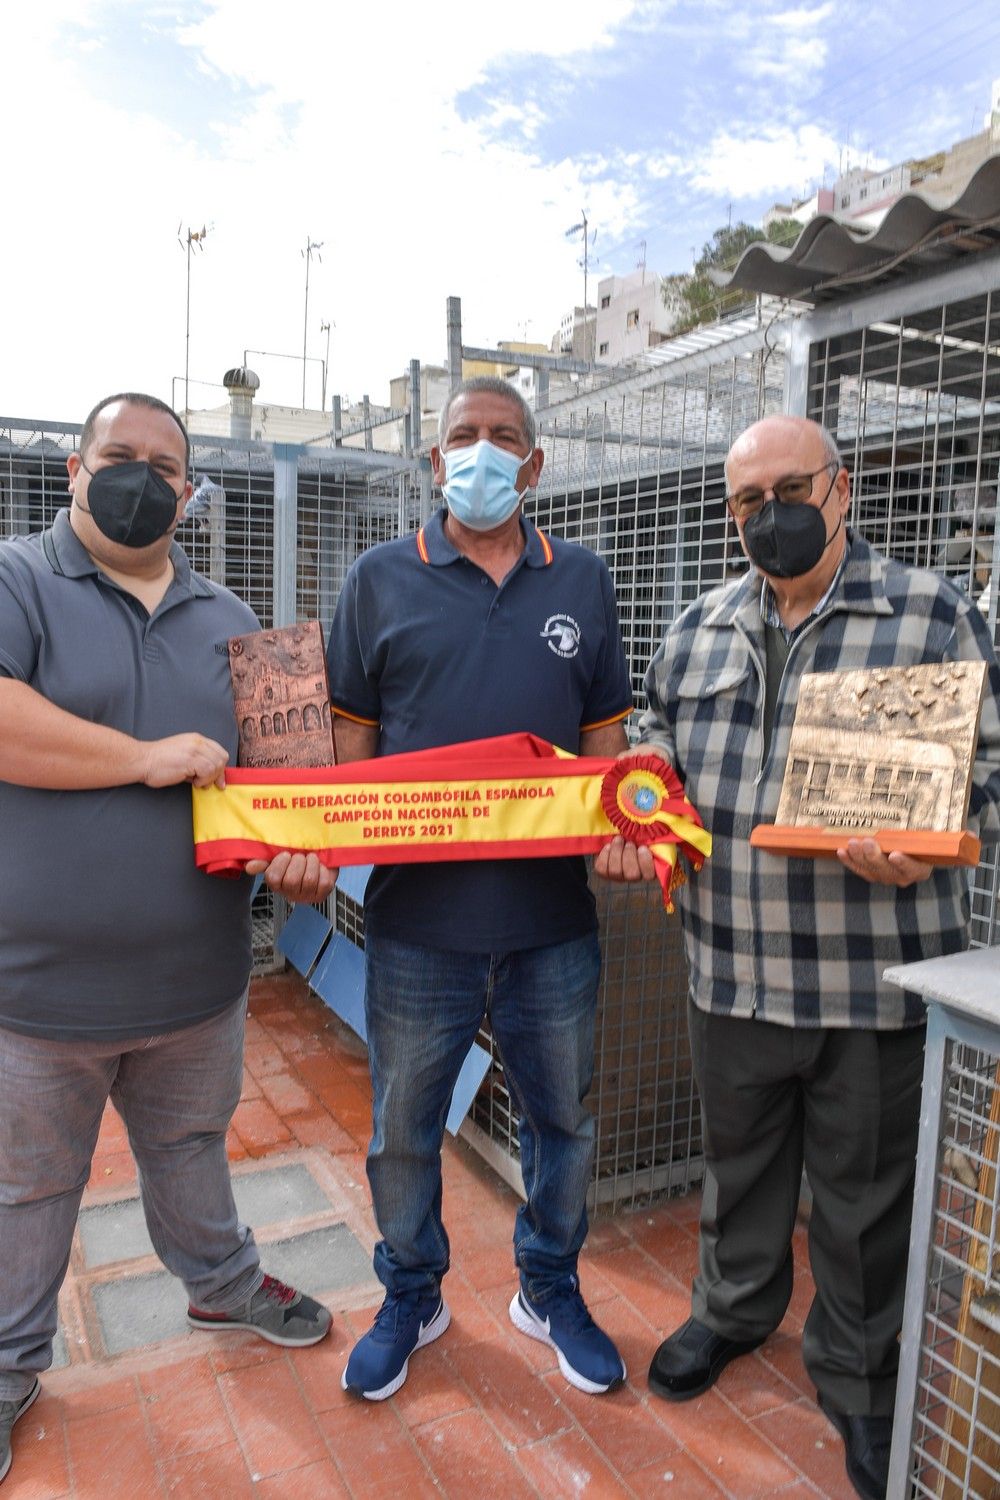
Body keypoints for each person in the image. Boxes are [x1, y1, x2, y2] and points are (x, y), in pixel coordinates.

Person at [596, 415, 1000, 1500]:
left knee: (865, 1200)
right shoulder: (698, 625)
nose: (765, 513)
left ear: (840, 489)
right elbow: (659, 739)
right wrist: (644, 809)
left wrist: (928, 840)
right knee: (741, 1169)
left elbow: (988, 771)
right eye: (743, 499)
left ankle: (861, 1381)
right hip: (730, 965)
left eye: (787, 488)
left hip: (874, 972)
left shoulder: (928, 612)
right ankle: (730, 1314)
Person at [0, 393, 335, 1486]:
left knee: (191, 1151)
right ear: (72, 469)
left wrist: (302, 852)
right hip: (35, 990)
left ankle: (223, 1285)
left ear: (190, 493)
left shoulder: (238, 621)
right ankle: (6, 1369)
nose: (141, 477)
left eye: (164, 464)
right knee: (28, 1189)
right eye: (119, 457)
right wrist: (144, 756)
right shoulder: (18, 580)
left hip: (197, 984)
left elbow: (291, 794)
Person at [326, 376, 634, 1402]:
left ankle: (547, 1285)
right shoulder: (376, 578)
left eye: (505, 437)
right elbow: (347, 758)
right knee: (404, 1133)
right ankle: (412, 1291)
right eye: (464, 436)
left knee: (565, 1124)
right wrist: (301, 839)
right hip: (419, 923)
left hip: (554, 922)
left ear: (535, 465)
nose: (484, 452)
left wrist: (626, 832)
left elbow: (607, 754)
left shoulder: (581, 581)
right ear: (434, 461)